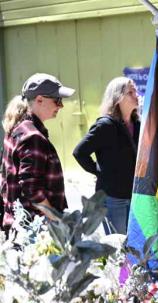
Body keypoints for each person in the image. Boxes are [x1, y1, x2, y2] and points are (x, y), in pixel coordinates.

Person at [1, 73, 75, 231]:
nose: (60, 106)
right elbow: (32, 190)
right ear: (39, 99)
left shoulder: (17, 128)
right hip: (35, 230)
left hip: (18, 225)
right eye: (57, 100)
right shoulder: (33, 136)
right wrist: (58, 219)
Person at [73, 77, 140, 234]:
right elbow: (79, 152)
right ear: (117, 98)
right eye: (130, 92)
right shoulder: (105, 125)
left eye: (135, 91)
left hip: (134, 196)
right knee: (117, 248)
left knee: (133, 248)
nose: (135, 95)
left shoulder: (138, 125)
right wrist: (99, 171)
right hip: (112, 198)